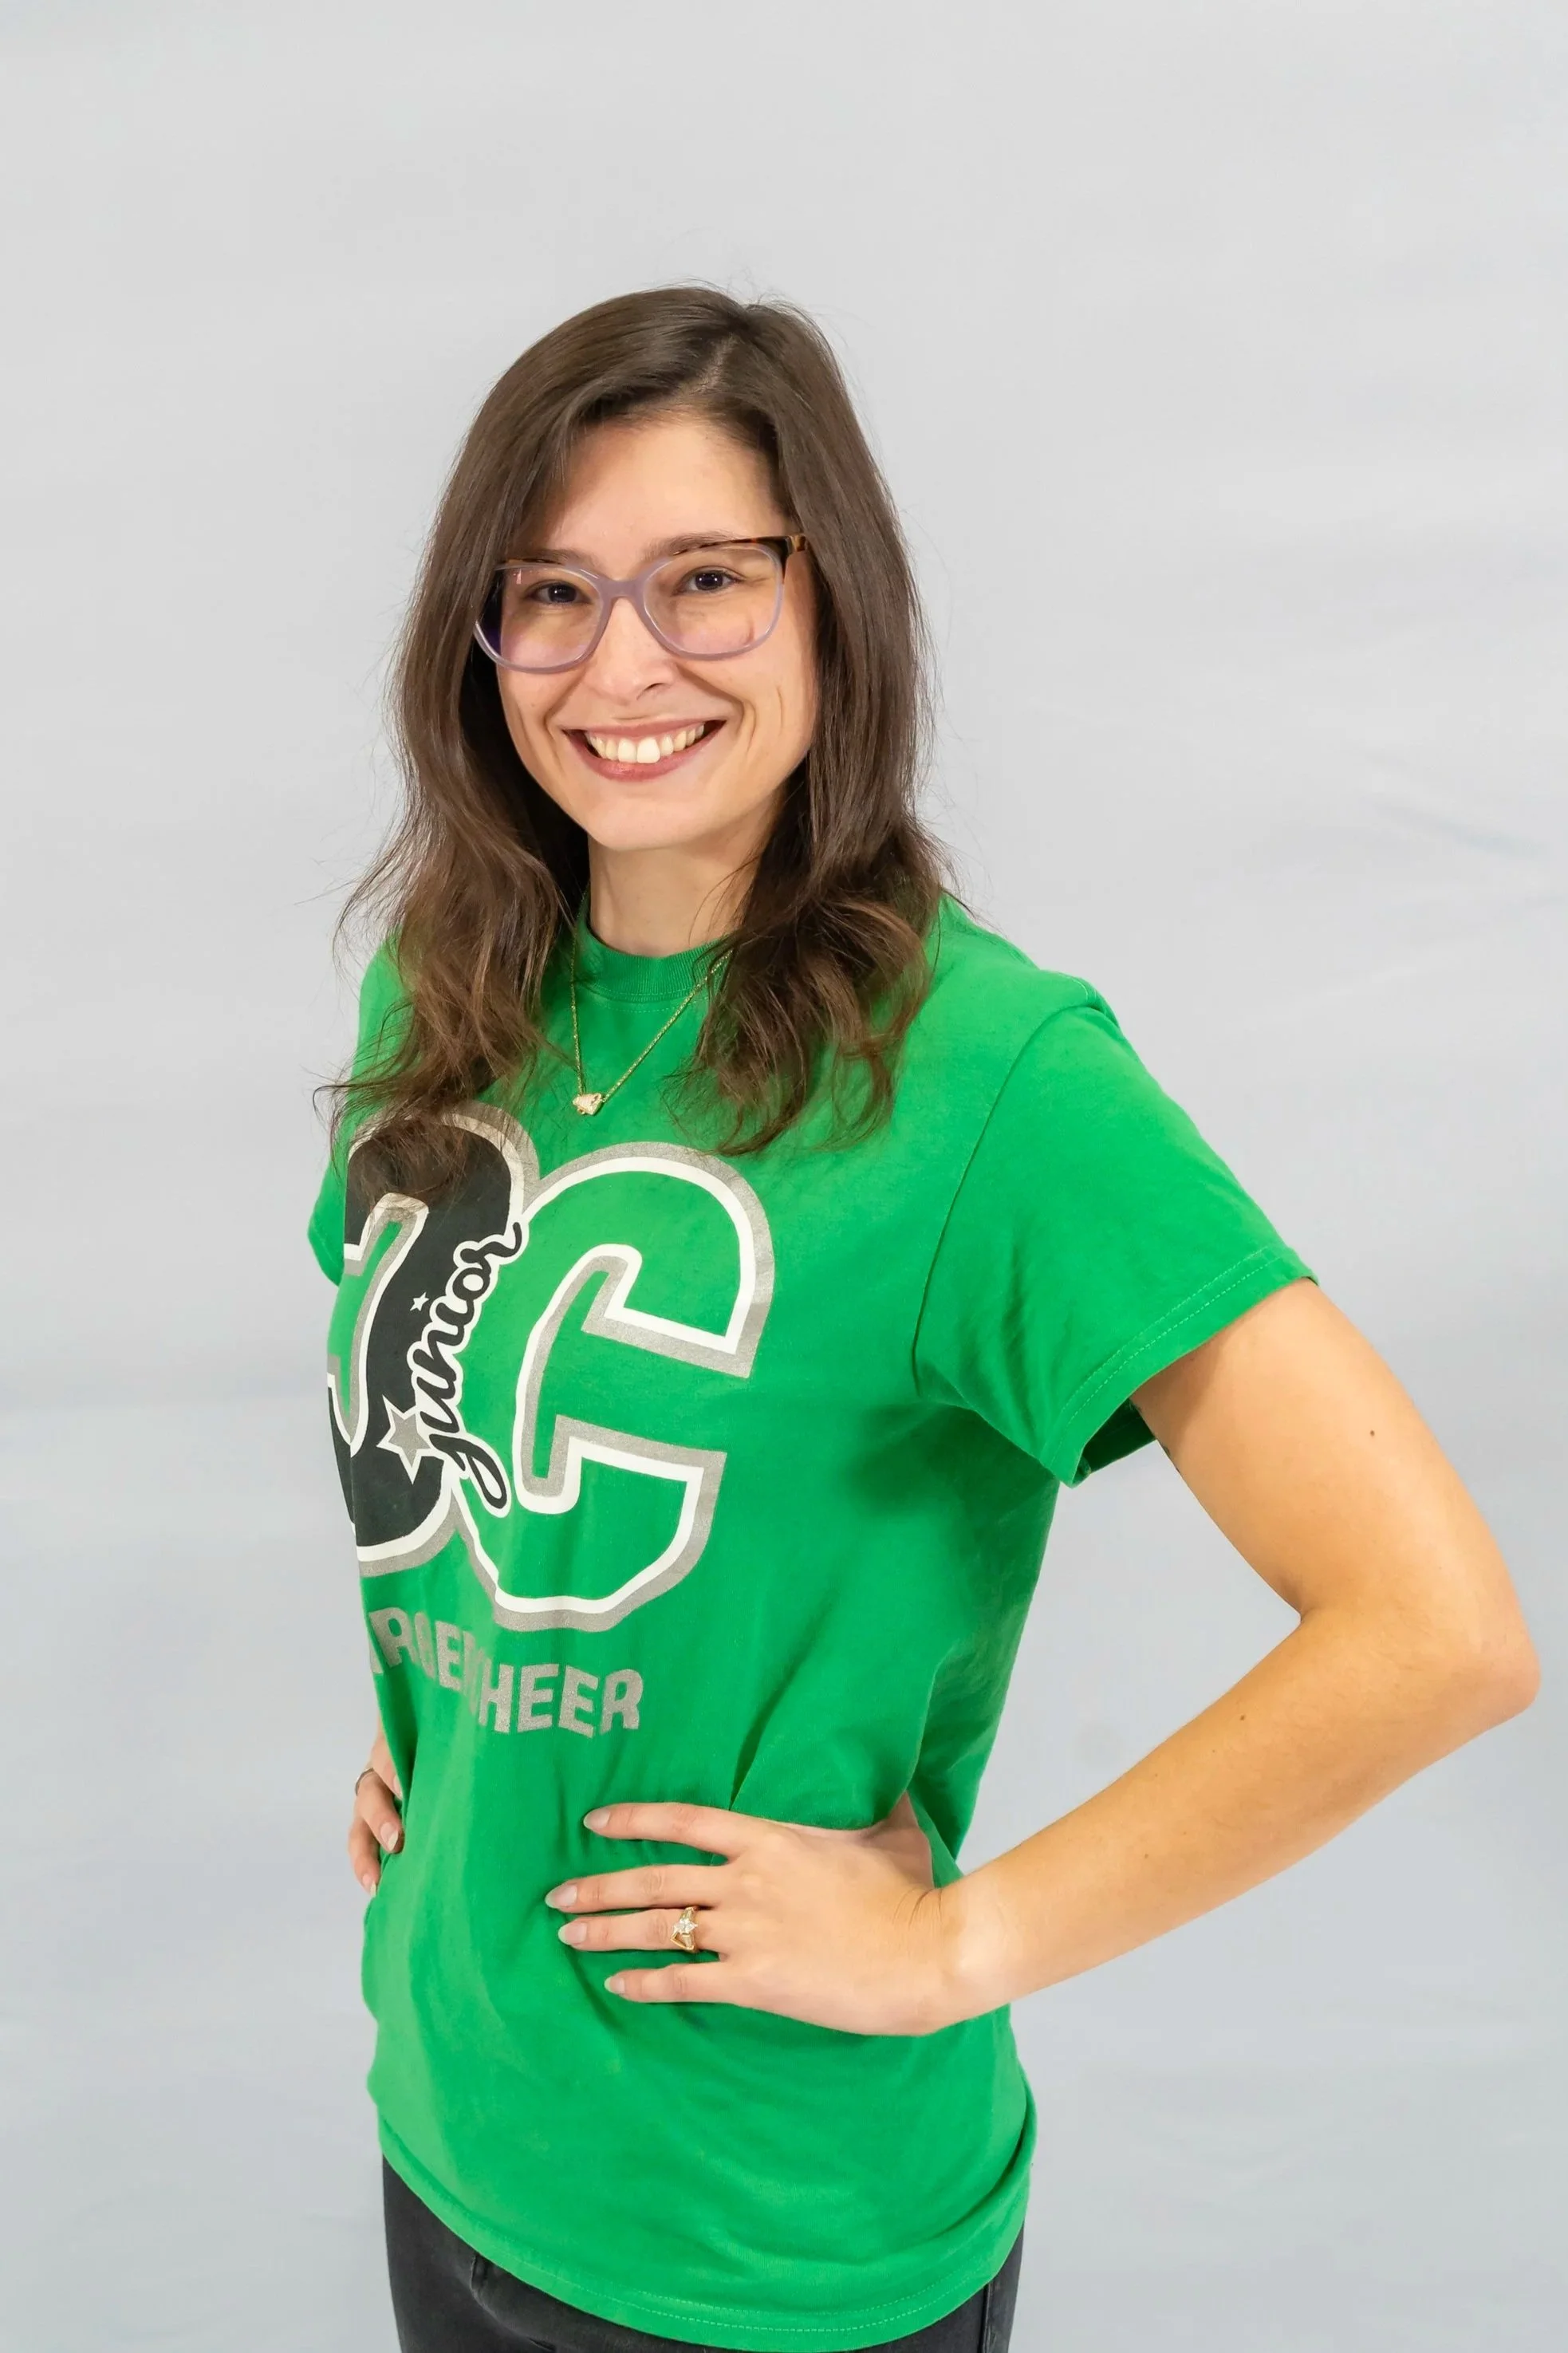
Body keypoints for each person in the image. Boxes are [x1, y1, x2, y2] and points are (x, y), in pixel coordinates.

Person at [308, 287, 1538, 2353]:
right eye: (552, 593)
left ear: (836, 606)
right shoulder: (448, 995)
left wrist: (959, 1942)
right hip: (451, 2126)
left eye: (707, 578)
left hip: (775, 2241)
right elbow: (475, 1463)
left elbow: (1437, 1629)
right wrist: (464, 1698)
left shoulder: (985, 1077)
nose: (624, 662)